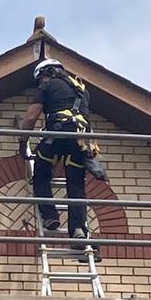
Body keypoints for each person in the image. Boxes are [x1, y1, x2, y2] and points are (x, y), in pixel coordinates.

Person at [18, 58, 107, 243]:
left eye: (40, 79)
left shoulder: (48, 85)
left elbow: (31, 118)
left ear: (46, 73)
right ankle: (78, 229)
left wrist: (22, 142)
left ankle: (50, 217)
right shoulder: (82, 89)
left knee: (41, 174)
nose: (40, 83)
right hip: (80, 142)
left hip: (57, 136)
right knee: (76, 184)